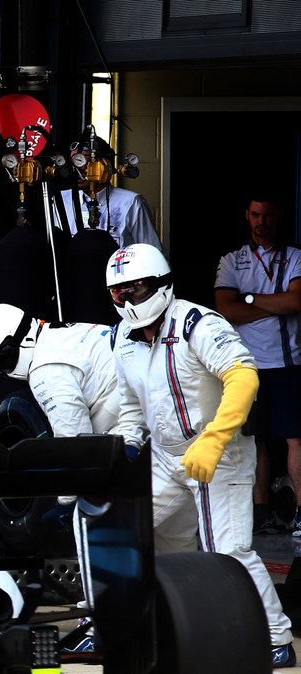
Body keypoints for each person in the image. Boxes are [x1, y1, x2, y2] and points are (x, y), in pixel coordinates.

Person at [107, 242, 295, 667]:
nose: (127, 299)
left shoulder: (197, 322)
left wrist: (213, 438)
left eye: (135, 289)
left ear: (160, 284)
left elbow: (244, 376)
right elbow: (131, 409)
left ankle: (276, 637)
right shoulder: (122, 336)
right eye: (118, 292)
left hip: (221, 451)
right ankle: (160, 619)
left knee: (228, 552)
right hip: (165, 455)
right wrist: (124, 452)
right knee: (118, 529)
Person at [0, 302, 121, 651]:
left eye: (1, 361)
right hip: (152, 425)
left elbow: (76, 447)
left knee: (86, 515)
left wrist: (65, 501)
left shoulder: (45, 370)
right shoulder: (65, 332)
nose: (4, 371)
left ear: (16, 343)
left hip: (135, 432)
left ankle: (101, 623)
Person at [212, 194, 301, 535]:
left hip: (288, 363)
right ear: (246, 216)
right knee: (254, 441)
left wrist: (247, 298)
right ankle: (260, 512)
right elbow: (225, 309)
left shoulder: (294, 257)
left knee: (295, 439)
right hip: (245, 366)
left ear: (277, 216)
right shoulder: (232, 260)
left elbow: (295, 300)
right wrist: (273, 305)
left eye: (266, 215)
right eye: (255, 215)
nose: (261, 221)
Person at [54, 135, 162, 250]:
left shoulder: (131, 202)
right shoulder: (60, 200)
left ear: (104, 165)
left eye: (83, 162)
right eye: (73, 163)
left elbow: (152, 251)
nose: (76, 170)